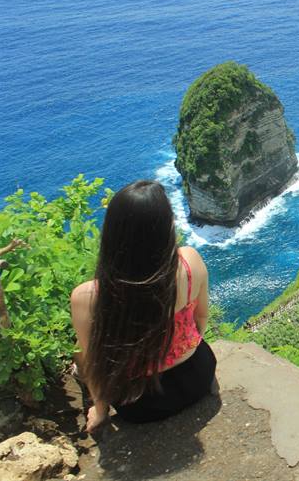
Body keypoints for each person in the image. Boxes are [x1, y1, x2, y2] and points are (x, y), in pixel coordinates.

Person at [70, 180, 216, 433]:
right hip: (198, 378)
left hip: (140, 404)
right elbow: (201, 319)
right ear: (165, 228)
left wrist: (101, 411)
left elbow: (94, 364)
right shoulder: (190, 262)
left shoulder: (88, 296)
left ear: (113, 233)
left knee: (77, 356)